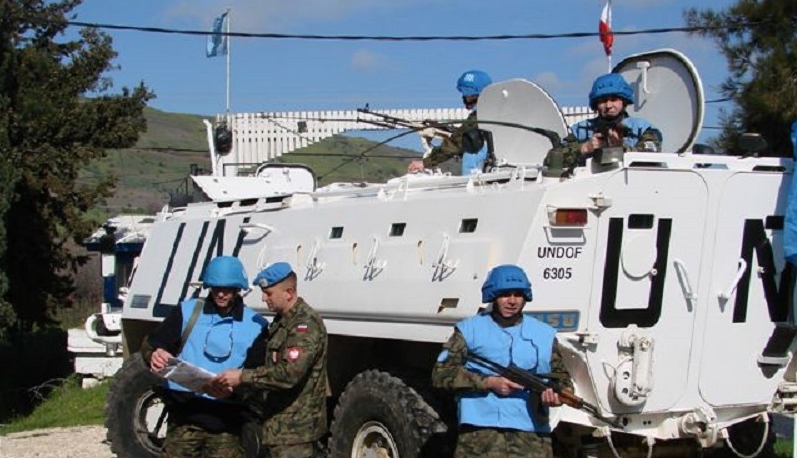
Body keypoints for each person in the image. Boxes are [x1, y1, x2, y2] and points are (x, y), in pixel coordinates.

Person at [431, 264, 572, 458]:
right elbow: (441, 374)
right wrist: (489, 382)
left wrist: (557, 396)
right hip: (480, 434)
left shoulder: (544, 334)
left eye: (518, 295)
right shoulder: (469, 330)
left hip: (530, 434)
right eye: (505, 294)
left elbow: (562, 379)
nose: (512, 301)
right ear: (493, 295)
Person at [141, 255, 269, 458]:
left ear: (238, 289)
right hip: (184, 418)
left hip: (227, 423)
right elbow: (152, 343)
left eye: (227, 289)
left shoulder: (256, 325)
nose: (221, 294)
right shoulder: (187, 311)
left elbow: (259, 374)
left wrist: (237, 390)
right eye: (216, 288)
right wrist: (154, 353)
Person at [212, 262, 329, 458]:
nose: (263, 298)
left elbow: (288, 375)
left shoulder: (304, 325)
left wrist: (242, 377)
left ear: (288, 293)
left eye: (268, 293)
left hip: (295, 433)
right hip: (278, 427)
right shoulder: (283, 321)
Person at [543, 73, 662, 177]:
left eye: (614, 99)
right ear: (596, 104)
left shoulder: (641, 128)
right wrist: (585, 148)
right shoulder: (580, 130)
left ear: (624, 101)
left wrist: (622, 149)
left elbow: (653, 157)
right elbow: (550, 161)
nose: (608, 105)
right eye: (603, 101)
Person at [408, 70, 493, 175]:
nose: (465, 97)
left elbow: (455, 143)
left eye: (468, 94)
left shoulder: (478, 116)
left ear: (477, 95)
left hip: (483, 172)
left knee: (470, 153)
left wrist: (425, 163)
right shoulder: (498, 111)